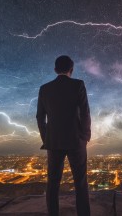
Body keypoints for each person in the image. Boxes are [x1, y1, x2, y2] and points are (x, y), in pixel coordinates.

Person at [36, 55, 91, 216]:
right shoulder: (78, 85)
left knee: (52, 184)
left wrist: (47, 139)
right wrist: (85, 136)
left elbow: (40, 117)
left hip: (54, 142)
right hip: (76, 141)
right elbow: (85, 113)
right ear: (71, 70)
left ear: (55, 70)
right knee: (80, 183)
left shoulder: (44, 89)